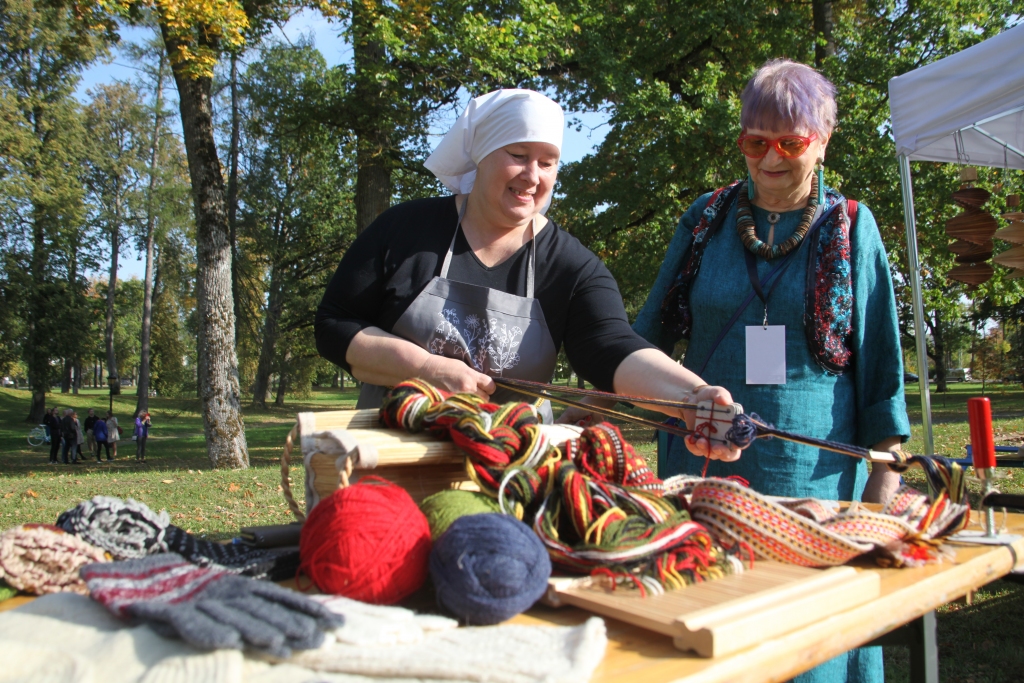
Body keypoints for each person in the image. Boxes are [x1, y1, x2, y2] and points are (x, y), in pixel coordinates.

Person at [632, 59, 909, 683]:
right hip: (701, 475)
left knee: (804, 651)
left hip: (810, 489)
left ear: (824, 140)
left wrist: (880, 502)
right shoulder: (705, 220)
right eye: (755, 142)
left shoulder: (852, 227)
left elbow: (883, 374)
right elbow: (645, 334)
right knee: (707, 639)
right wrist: (578, 400)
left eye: (791, 142)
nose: (771, 158)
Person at [315, 89, 737, 456]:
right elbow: (334, 324)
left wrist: (691, 397)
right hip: (388, 457)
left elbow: (613, 347)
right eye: (517, 156)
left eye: (548, 162)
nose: (532, 176)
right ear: (482, 154)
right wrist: (426, 369)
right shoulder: (406, 231)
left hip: (509, 476)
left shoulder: (571, 267)